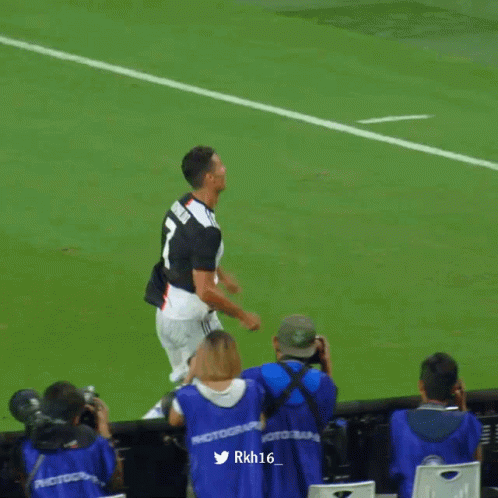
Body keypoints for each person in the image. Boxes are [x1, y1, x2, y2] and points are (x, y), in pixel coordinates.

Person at [144, 145, 261, 384]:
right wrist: (242, 315)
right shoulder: (207, 229)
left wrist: (221, 275)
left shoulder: (183, 205)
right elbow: (205, 291)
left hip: (167, 314)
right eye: (220, 166)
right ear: (209, 178)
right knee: (220, 386)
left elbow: (189, 251)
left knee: (188, 387)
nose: (224, 169)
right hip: (192, 321)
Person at [241, 315, 337, 498]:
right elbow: (322, 421)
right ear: (314, 348)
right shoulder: (325, 384)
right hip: (310, 491)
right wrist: (326, 363)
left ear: (276, 342)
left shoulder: (252, 378)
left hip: (265, 489)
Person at [169, 330, 265, 498]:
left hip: (207, 489)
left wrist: (190, 375)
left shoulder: (188, 396)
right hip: (251, 488)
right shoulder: (253, 390)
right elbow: (262, 425)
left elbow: (174, 420)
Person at [390, 352, 482, 498]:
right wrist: (462, 407)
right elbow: (477, 466)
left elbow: (396, 473)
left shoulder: (399, 420)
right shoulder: (467, 422)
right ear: (454, 388)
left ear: (421, 386)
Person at [12, 381, 122, 498]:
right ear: (76, 419)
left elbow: (27, 490)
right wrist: (104, 430)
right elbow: (117, 483)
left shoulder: (25, 449)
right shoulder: (92, 441)